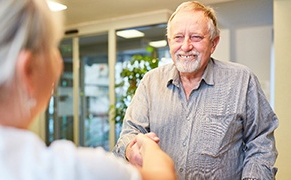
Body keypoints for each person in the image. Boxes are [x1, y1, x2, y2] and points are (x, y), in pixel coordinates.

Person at [0, 0, 176, 179]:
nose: (59, 61)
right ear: (28, 70)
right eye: (53, 45)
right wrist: (148, 146)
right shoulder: (71, 170)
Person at [113, 1, 278, 180]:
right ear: (169, 42)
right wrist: (131, 150)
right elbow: (128, 135)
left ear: (214, 43)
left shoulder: (242, 80)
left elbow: (261, 143)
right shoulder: (150, 82)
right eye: (178, 37)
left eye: (196, 37)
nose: (185, 46)